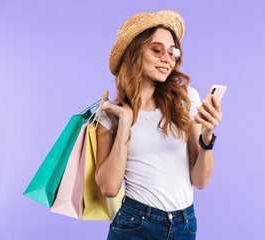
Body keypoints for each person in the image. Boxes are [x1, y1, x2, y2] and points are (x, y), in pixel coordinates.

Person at [95, 10, 223, 240]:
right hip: (135, 225)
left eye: (173, 52)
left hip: (185, 224)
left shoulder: (186, 99)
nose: (168, 58)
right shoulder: (110, 115)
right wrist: (124, 123)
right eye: (157, 50)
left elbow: (200, 181)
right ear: (135, 53)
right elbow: (109, 188)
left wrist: (207, 136)